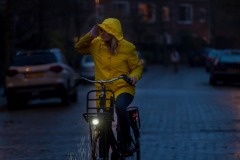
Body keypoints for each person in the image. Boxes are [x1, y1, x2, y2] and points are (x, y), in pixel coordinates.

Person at [74, 18, 143, 154]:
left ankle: (126, 141)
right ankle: (104, 149)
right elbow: (79, 48)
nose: (102, 32)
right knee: (103, 119)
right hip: (103, 89)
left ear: (113, 32)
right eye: (101, 29)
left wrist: (134, 77)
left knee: (120, 107)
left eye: (106, 30)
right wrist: (90, 35)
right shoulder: (95, 44)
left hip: (123, 87)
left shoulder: (128, 47)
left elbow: (137, 67)